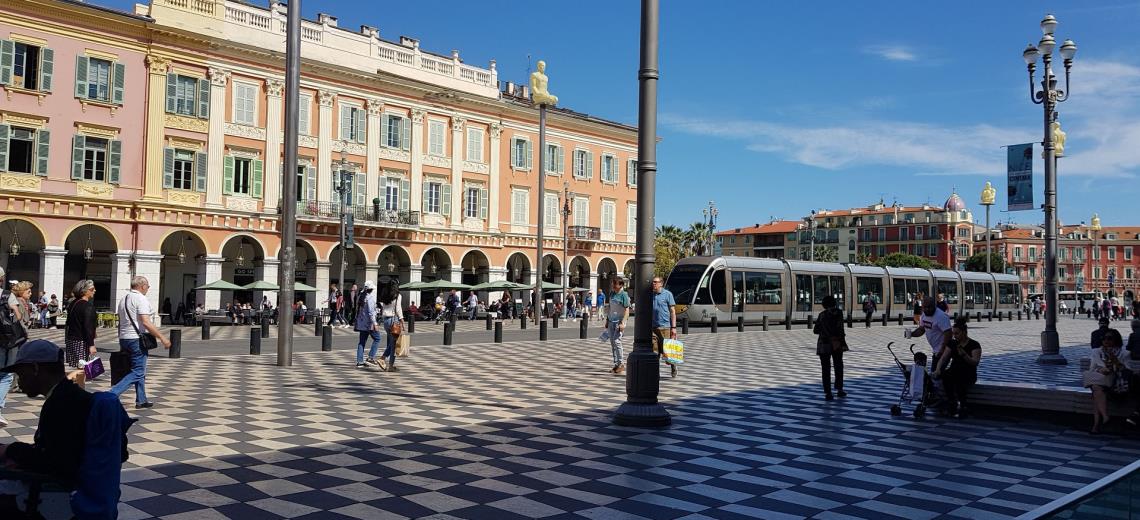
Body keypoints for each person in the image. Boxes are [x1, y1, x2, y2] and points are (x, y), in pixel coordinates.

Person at [0, 339, 132, 519]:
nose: (18, 381)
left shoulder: (60, 405)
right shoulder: (79, 398)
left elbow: (57, 464)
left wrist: (11, 450)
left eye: (20, 374)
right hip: (94, 495)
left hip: (69, 498)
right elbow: (119, 453)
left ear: (35, 369)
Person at [111, 276, 171, 409]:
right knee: (138, 371)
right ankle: (112, 393)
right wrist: (162, 337)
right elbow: (145, 321)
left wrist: (121, 337)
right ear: (142, 286)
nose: (148, 289)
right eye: (148, 286)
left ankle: (141, 399)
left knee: (138, 369)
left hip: (124, 338)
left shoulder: (123, 299)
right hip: (136, 339)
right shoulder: (140, 299)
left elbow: (120, 322)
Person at [933, 318, 981, 418]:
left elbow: (975, 362)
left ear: (964, 332)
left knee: (959, 380)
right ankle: (952, 403)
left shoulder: (974, 345)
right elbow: (943, 358)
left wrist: (964, 354)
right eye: (953, 333)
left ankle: (962, 406)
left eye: (957, 333)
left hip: (968, 372)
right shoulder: (952, 343)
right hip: (954, 371)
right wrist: (938, 369)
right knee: (946, 376)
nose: (955, 336)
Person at [0, 267, 29, 428]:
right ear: (2, 279)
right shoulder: (6, 295)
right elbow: (17, 315)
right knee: (5, 375)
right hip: (4, 340)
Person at [1086, 328, 1126, 434]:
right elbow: (1093, 367)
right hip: (1100, 378)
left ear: (1116, 340)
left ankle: (1096, 425)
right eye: (1103, 338)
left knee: (1096, 390)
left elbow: (1125, 369)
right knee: (1097, 388)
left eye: (1109, 338)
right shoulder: (1097, 351)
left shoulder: (1123, 353)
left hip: (1116, 381)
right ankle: (1104, 418)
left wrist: (1113, 359)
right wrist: (1101, 369)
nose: (1106, 341)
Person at [813, 295, 847, 401]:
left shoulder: (822, 315)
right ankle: (839, 389)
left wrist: (824, 330)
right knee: (838, 366)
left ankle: (828, 393)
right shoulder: (839, 313)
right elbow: (840, 328)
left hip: (824, 344)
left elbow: (815, 330)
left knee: (825, 369)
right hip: (836, 343)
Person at [65, 280, 98, 370]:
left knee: (79, 367)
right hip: (82, 341)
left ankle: (77, 383)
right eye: (92, 289)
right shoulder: (87, 306)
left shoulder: (73, 303)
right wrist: (91, 345)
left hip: (72, 339)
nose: (94, 290)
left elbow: (68, 322)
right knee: (82, 369)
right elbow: (88, 327)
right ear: (84, 291)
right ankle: (76, 383)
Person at [650, 276, 679, 378]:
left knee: (668, 352)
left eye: (655, 282)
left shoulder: (668, 295)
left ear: (661, 284)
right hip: (653, 327)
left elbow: (672, 312)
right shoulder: (650, 295)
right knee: (655, 351)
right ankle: (655, 372)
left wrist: (673, 328)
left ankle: (673, 366)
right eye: (653, 282)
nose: (653, 284)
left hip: (665, 327)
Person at [376, 279, 405, 372]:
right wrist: (402, 320)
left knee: (392, 343)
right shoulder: (397, 296)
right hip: (393, 320)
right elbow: (398, 308)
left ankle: (390, 364)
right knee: (393, 344)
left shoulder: (385, 295)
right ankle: (383, 359)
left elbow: (383, 307)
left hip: (386, 321)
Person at [605, 277, 631, 375]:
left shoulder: (624, 295)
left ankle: (621, 364)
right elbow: (610, 308)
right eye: (613, 284)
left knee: (617, 341)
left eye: (615, 284)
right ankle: (616, 364)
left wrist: (623, 323)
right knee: (612, 342)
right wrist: (607, 320)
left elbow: (627, 310)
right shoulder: (612, 293)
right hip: (611, 320)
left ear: (620, 285)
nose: (613, 286)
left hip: (619, 322)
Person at [354, 281, 381, 369]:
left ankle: (359, 361)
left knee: (362, 342)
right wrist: (375, 323)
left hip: (362, 323)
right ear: (372, 289)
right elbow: (371, 313)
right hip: (369, 324)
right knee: (377, 338)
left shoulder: (361, 297)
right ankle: (370, 357)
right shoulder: (370, 298)